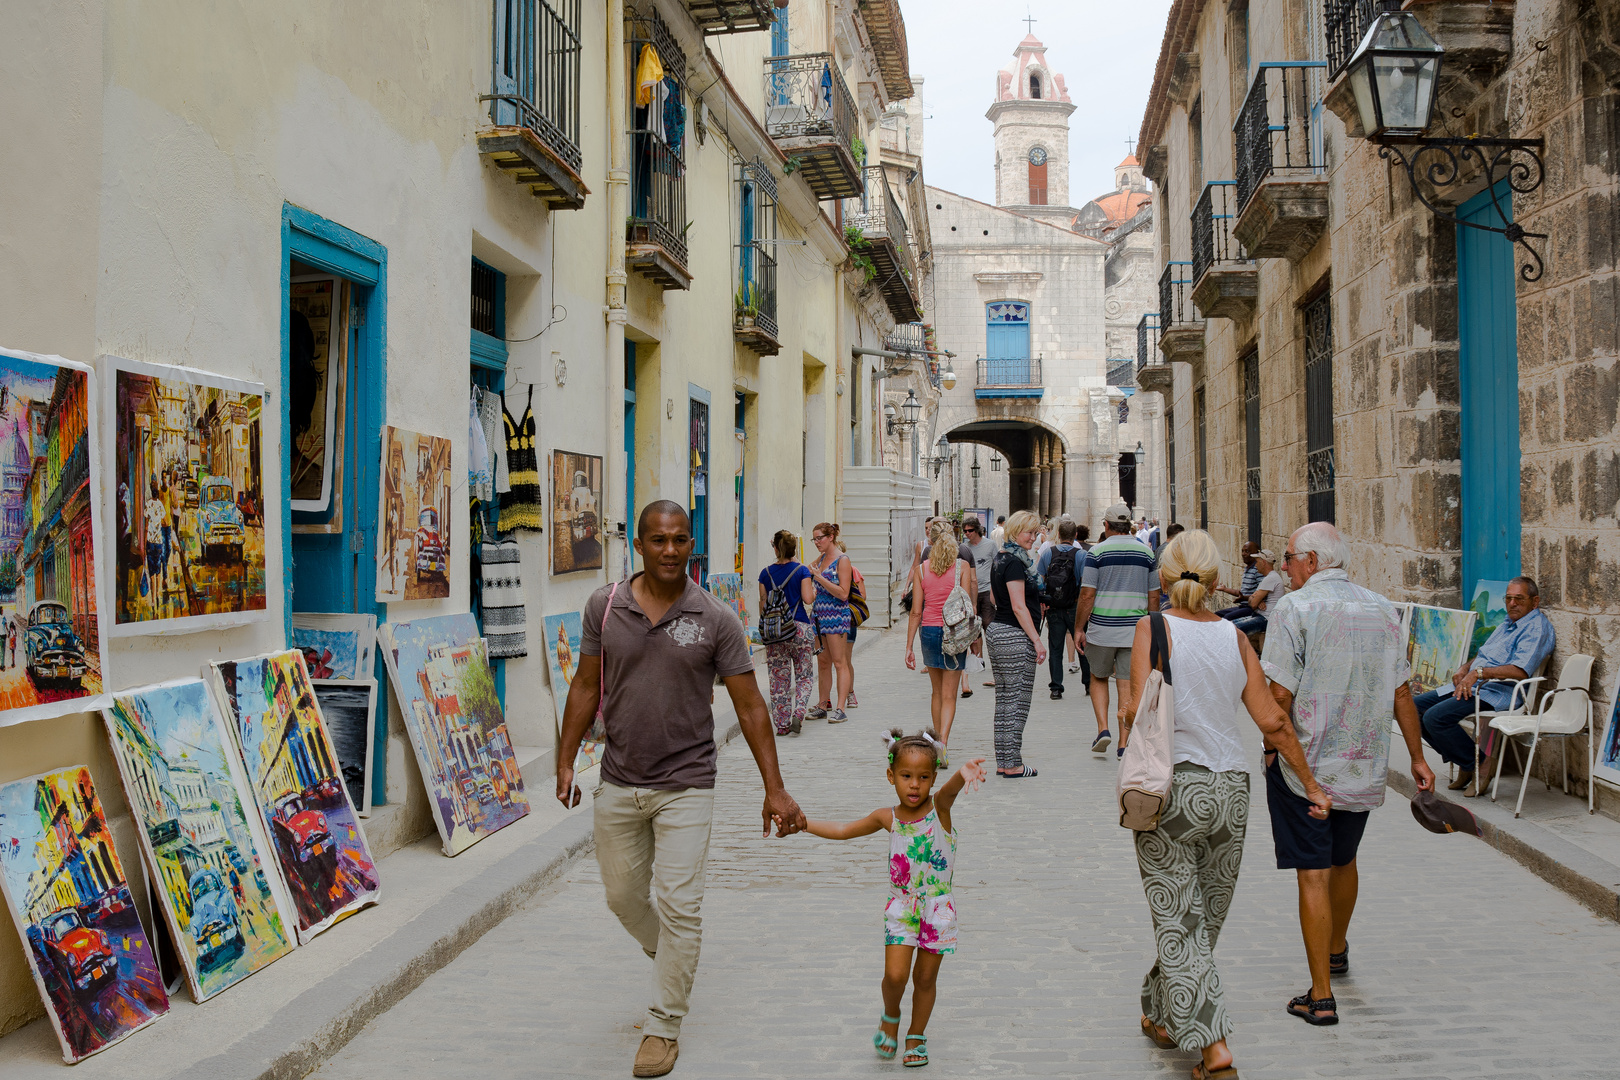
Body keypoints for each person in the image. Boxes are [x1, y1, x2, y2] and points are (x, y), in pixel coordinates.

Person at [555, 500, 807, 1079]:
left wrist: (776, 788)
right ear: (639, 545)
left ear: (691, 544)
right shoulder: (606, 605)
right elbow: (585, 685)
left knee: (681, 906)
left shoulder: (715, 618)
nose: (670, 550)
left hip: (687, 783)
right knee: (622, 898)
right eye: (658, 540)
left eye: (680, 539)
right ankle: (671, 955)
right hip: (619, 778)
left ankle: (663, 1026)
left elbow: (749, 704)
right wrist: (566, 759)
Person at [1129, 529, 1329, 1080]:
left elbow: (1136, 712)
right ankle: (1163, 1012)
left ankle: (1215, 1050)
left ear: (1164, 580)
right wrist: (1311, 786)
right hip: (1230, 793)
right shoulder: (1235, 638)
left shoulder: (1152, 629)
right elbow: (1273, 722)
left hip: (1171, 790)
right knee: (1203, 919)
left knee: (1179, 918)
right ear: (1217, 582)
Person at [1260, 521, 1436, 1027]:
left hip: (1306, 766)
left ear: (1312, 562)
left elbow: (1279, 696)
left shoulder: (1293, 609)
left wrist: (1272, 748)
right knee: (1345, 857)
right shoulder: (1382, 608)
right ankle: (1336, 951)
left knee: (1312, 871)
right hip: (1361, 764)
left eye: (1289, 556)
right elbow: (1403, 692)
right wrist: (1418, 759)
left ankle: (1320, 996)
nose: (1286, 564)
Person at [801, 730, 987, 1068]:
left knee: (926, 979)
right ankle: (891, 1013)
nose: (914, 785)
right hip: (902, 908)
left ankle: (916, 1036)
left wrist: (962, 775)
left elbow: (946, 795)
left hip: (938, 910)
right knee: (896, 976)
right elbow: (843, 830)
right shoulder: (887, 817)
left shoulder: (939, 811)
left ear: (932, 779)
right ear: (891, 776)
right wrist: (802, 824)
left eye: (923, 777)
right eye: (906, 776)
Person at [1416, 576, 1555, 796]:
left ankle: (1477, 764)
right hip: (1476, 685)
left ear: (1534, 601)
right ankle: (1466, 760)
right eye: (1508, 598)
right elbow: (1485, 655)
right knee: (1412, 708)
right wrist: (1465, 668)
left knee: (1435, 718)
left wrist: (1478, 673)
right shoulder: (1508, 623)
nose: (1512, 604)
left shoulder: (1535, 628)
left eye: (1519, 599)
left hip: (1498, 692)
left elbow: (1520, 671)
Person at [1077, 502, 1159, 755]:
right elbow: (1154, 596)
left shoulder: (1097, 552)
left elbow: (1087, 595)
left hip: (1103, 627)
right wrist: (1152, 625)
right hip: (1135, 630)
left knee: (1098, 677)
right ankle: (1124, 743)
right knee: (1127, 683)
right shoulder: (1147, 553)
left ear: (1107, 525)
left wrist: (1079, 627)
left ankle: (1103, 729)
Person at [986, 510, 1047, 777]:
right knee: (1018, 700)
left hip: (998, 630)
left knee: (1004, 700)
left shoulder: (1001, 558)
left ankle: (1005, 760)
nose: (1033, 538)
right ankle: (1012, 764)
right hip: (1013, 634)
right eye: (1029, 533)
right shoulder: (1014, 562)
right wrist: (1036, 640)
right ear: (1015, 530)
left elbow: (992, 598)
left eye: (1035, 533)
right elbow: (1019, 606)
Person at [906, 520, 977, 743]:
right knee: (949, 695)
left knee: (936, 692)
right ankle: (943, 742)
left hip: (929, 631)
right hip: (954, 633)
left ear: (931, 541)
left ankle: (937, 742)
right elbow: (966, 607)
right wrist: (973, 637)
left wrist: (908, 646)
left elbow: (916, 612)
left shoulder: (921, 569)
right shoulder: (962, 567)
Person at [758, 529, 818, 737]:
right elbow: (808, 599)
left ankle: (782, 724)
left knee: (778, 680)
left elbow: (763, 605)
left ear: (775, 547)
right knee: (804, 676)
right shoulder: (802, 570)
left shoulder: (765, 573)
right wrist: (815, 590)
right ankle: (799, 712)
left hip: (776, 633)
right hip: (800, 627)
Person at [807, 522, 855, 722]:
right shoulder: (822, 558)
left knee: (839, 662)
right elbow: (807, 570)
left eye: (820, 538)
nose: (817, 542)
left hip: (836, 616)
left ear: (831, 537)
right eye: (814, 539)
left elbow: (844, 594)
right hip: (819, 616)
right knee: (823, 662)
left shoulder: (842, 560)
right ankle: (822, 704)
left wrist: (820, 578)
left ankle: (840, 707)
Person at [1035, 520, 1085, 701]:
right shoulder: (1081, 555)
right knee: (1081, 644)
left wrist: (1043, 601)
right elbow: (1085, 584)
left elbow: (1039, 579)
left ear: (1058, 534)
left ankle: (1056, 687)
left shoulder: (1049, 552)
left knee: (1055, 648)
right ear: (1075, 536)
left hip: (1054, 607)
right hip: (1074, 607)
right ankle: (1087, 682)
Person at [959, 516, 999, 697]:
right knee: (974, 630)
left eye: (970, 531)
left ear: (978, 530)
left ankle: (995, 662)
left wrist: (996, 589)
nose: (967, 534)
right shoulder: (964, 548)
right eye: (965, 531)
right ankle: (979, 660)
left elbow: (997, 566)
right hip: (969, 592)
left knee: (989, 626)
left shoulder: (989, 545)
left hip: (987, 590)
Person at [1222, 549, 1282, 636]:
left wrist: (1255, 599)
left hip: (1265, 618)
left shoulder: (1270, 578)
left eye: (1257, 562)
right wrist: (1256, 599)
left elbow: (1253, 604)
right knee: (1229, 625)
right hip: (1260, 615)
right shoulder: (1268, 578)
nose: (1256, 565)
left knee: (1232, 630)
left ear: (1263, 562)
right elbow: (1253, 600)